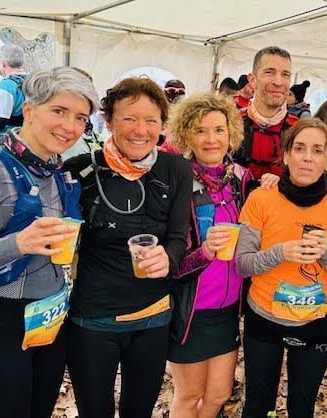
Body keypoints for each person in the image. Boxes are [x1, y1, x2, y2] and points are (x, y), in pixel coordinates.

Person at [0, 67, 99, 418]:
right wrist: (17, 244)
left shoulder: (57, 172)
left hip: (47, 324)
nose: (69, 126)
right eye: (59, 110)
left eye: (81, 117)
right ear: (30, 110)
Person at [63, 77, 192, 418]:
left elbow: (178, 237)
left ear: (162, 125)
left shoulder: (176, 169)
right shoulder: (81, 171)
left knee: (139, 411)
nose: (140, 130)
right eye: (129, 119)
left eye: (151, 120)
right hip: (93, 318)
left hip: (152, 316)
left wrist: (169, 257)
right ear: (108, 121)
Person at [235, 118, 327, 417]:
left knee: (301, 409)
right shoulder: (261, 198)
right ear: (286, 155)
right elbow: (242, 264)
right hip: (263, 320)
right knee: (257, 408)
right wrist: (281, 253)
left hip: (315, 324)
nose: (307, 157)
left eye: (317, 150)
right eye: (300, 148)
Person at [167, 93, 278, 418]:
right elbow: (170, 263)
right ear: (187, 135)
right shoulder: (177, 180)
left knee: (219, 394)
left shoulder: (241, 180)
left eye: (219, 130)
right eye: (200, 131)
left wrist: (271, 183)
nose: (211, 139)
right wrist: (204, 253)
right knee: (189, 396)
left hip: (229, 309)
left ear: (231, 133)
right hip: (191, 310)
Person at [233, 46, 298, 180]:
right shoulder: (231, 123)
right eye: (269, 72)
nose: (278, 82)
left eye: (285, 74)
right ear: (252, 80)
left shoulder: (298, 130)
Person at [0, 44, 28, 135]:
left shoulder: (6, 85)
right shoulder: (34, 81)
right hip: (31, 135)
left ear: (3, 63)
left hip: (12, 137)